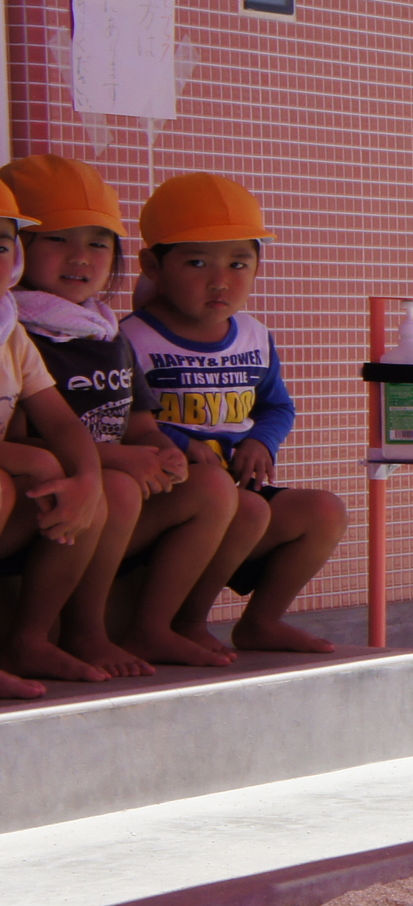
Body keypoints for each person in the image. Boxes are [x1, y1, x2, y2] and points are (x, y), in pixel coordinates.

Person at [3, 153, 240, 673]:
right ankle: (82, 632)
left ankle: (154, 627)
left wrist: (162, 451)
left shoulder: (106, 332)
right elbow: (24, 443)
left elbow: (138, 423)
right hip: (47, 499)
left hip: (99, 491)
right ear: (17, 251)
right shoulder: (19, 332)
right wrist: (113, 461)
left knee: (214, 488)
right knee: (118, 487)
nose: (81, 257)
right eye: (58, 239)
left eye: (98, 242)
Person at [125, 173, 345, 655]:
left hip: (238, 487)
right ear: (153, 267)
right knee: (239, 507)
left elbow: (277, 405)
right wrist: (185, 447)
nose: (220, 281)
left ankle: (260, 622)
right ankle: (184, 623)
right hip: (173, 496)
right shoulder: (132, 339)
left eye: (239, 263)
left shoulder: (253, 336)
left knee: (324, 510)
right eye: (197, 262)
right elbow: (123, 420)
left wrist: (261, 440)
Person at [0, 175, 117, 698]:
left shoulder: (9, 330)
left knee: (91, 489)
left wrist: (87, 475)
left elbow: (60, 420)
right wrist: (33, 462)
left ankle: (28, 639)